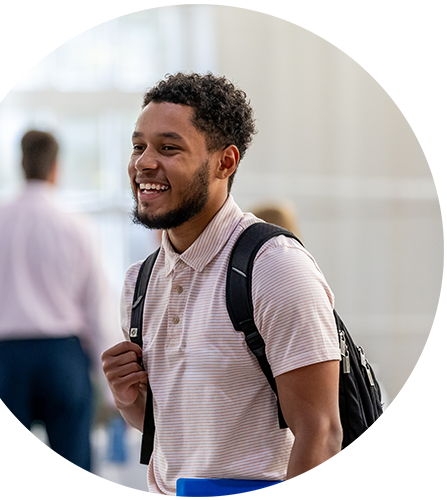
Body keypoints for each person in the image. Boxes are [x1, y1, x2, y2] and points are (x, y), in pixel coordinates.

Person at [102, 73, 342, 497]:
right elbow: (176, 432)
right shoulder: (138, 282)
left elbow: (321, 435)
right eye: (139, 146)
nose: (143, 162)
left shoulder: (275, 269)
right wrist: (128, 400)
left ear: (224, 162)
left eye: (168, 147)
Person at [0, 130, 120, 496]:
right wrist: (113, 392)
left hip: (5, 360)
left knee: (7, 478)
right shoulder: (77, 225)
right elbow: (97, 310)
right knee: (74, 473)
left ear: (20, 163)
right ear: (56, 168)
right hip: (63, 358)